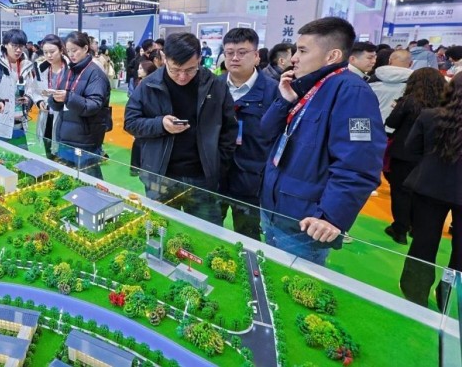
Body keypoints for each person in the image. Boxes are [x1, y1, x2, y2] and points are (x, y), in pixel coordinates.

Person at [259, 17, 386, 265]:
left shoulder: (353, 92)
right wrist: (284, 101)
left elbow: (359, 164)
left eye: (302, 51)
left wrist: (330, 217)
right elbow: (266, 133)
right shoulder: (308, 86)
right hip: (277, 206)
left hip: (307, 221)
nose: (294, 58)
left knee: (294, 280)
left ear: (332, 56)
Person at [124, 32, 237, 225]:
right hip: (160, 176)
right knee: (161, 231)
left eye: (191, 69)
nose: (183, 76)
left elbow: (229, 130)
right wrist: (160, 124)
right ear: (164, 58)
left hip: (203, 178)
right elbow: (131, 122)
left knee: (205, 233)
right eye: (175, 69)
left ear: (200, 59)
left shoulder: (215, 86)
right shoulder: (149, 85)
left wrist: (218, 165)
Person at [399, 72, 461, 309]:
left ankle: (415, 292)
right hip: (439, 188)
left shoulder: (429, 116)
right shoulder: (429, 115)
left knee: (424, 241)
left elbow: (411, 148)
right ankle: (447, 295)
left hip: (428, 187)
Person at [219, 28, 278, 240]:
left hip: (252, 179)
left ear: (256, 56)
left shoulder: (274, 91)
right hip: (216, 174)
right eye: (229, 52)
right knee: (208, 227)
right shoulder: (213, 87)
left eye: (242, 52)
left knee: (248, 236)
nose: (235, 58)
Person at [383, 68, 447, 245]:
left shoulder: (409, 101)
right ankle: (414, 227)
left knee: (400, 191)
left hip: (403, 153)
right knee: (418, 194)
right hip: (430, 156)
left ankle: (400, 229)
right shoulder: (445, 104)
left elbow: (391, 122)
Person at [49, 32, 111, 178]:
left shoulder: (95, 74)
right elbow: (60, 103)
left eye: (74, 50)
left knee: (89, 181)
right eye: (68, 51)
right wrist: (54, 99)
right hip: (65, 136)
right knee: (67, 180)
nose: (71, 54)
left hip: (86, 140)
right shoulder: (70, 71)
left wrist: (68, 97)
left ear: (85, 48)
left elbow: (93, 105)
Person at [0, 29, 36, 146]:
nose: (18, 50)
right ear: (5, 45)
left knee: (21, 155)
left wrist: (28, 97)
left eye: (21, 46)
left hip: (20, 123)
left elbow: (32, 86)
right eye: (14, 45)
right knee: (0, 156)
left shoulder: (26, 65)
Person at [32, 34, 67, 159]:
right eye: (45, 52)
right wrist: (39, 101)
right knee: (49, 151)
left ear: (61, 50)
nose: (49, 55)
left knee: (65, 154)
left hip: (66, 117)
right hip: (47, 115)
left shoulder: (71, 69)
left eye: (52, 52)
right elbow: (35, 89)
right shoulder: (41, 68)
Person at [370, 49, 412, 127]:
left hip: (373, 123)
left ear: (389, 61)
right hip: (399, 126)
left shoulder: (372, 79)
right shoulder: (415, 81)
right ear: (411, 63)